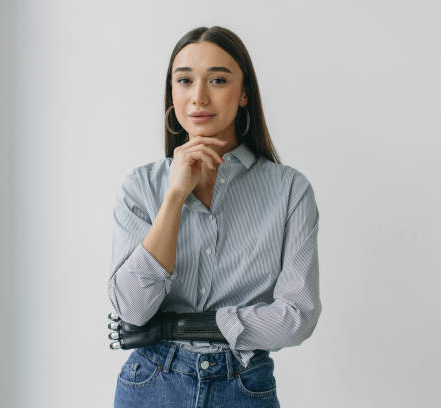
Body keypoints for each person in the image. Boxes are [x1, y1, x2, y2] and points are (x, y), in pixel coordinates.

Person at [108, 25, 321, 408]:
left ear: (243, 94)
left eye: (218, 80)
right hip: (152, 385)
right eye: (185, 80)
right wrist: (173, 197)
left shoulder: (290, 191)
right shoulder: (141, 187)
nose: (199, 97)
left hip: (243, 387)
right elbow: (133, 310)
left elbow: (296, 316)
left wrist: (175, 326)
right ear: (172, 93)